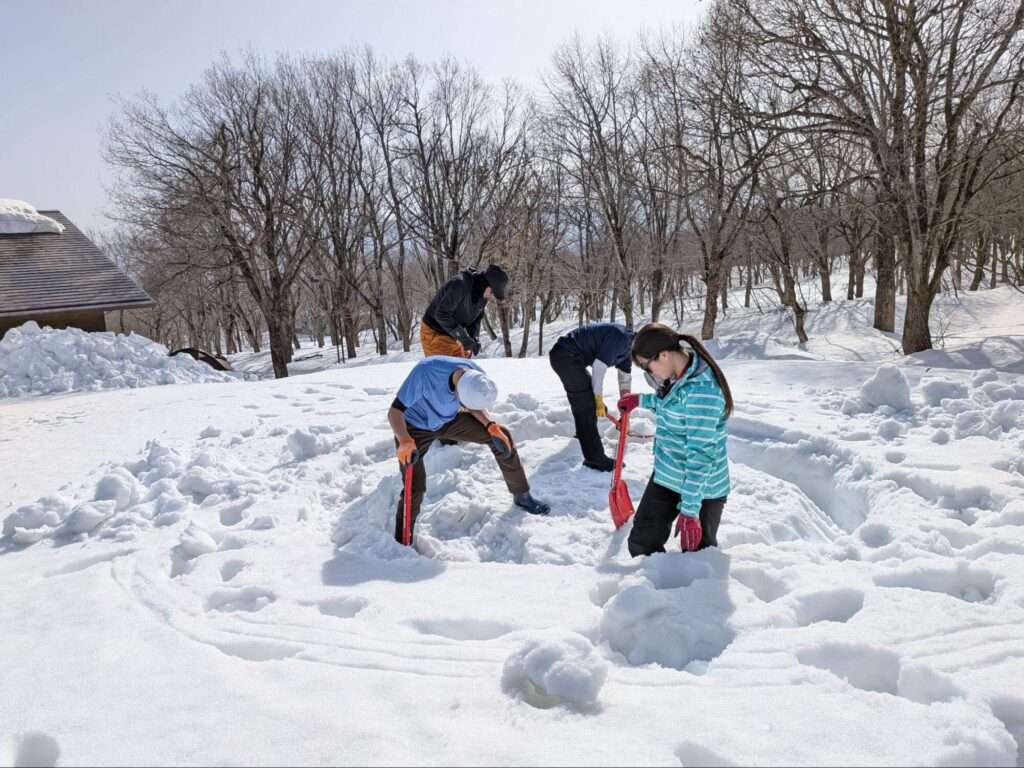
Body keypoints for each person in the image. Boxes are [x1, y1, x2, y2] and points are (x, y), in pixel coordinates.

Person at [388, 355, 550, 544]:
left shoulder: (475, 375)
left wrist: (490, 425)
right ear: (458, 387)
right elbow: (394, 412)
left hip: (447, 420)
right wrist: (405, 440)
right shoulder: (426, 372)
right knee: (416, 486)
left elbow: (472, 405)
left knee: (500, 435)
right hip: (413, 428)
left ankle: (522, 495)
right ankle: (402, 540)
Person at [616, 323, 733, 557]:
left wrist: (690, 512)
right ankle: (653, 591)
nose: (651, 374)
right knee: (641, 544)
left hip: (703, 487)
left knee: (699, 556)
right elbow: (674, 404)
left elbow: (700, 456)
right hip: (668, 473)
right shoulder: (680, 371)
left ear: (664, 355)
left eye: (649, 367)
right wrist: (643, 401)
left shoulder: (703, 392)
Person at [548, 322, 634, 471]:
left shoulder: (628, 351)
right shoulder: (620, 338)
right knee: (586, 404)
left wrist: (626, 413)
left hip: (573, 358)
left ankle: (584, 435)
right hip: (564, 355)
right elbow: (599, 368)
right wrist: (598, 399)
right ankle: (595, 459)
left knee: (586, 401)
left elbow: (625, 380)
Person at [421, 264, 510, 358]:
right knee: (454, 368)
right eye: (492, 292)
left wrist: (474, 338)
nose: (491, 295)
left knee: (464, 364)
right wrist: (464, 339)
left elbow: (476, 319)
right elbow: (441, 314)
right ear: (486, 284)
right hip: (434, 332)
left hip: (452, 334)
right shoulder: (459, 285)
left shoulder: (482, 296)